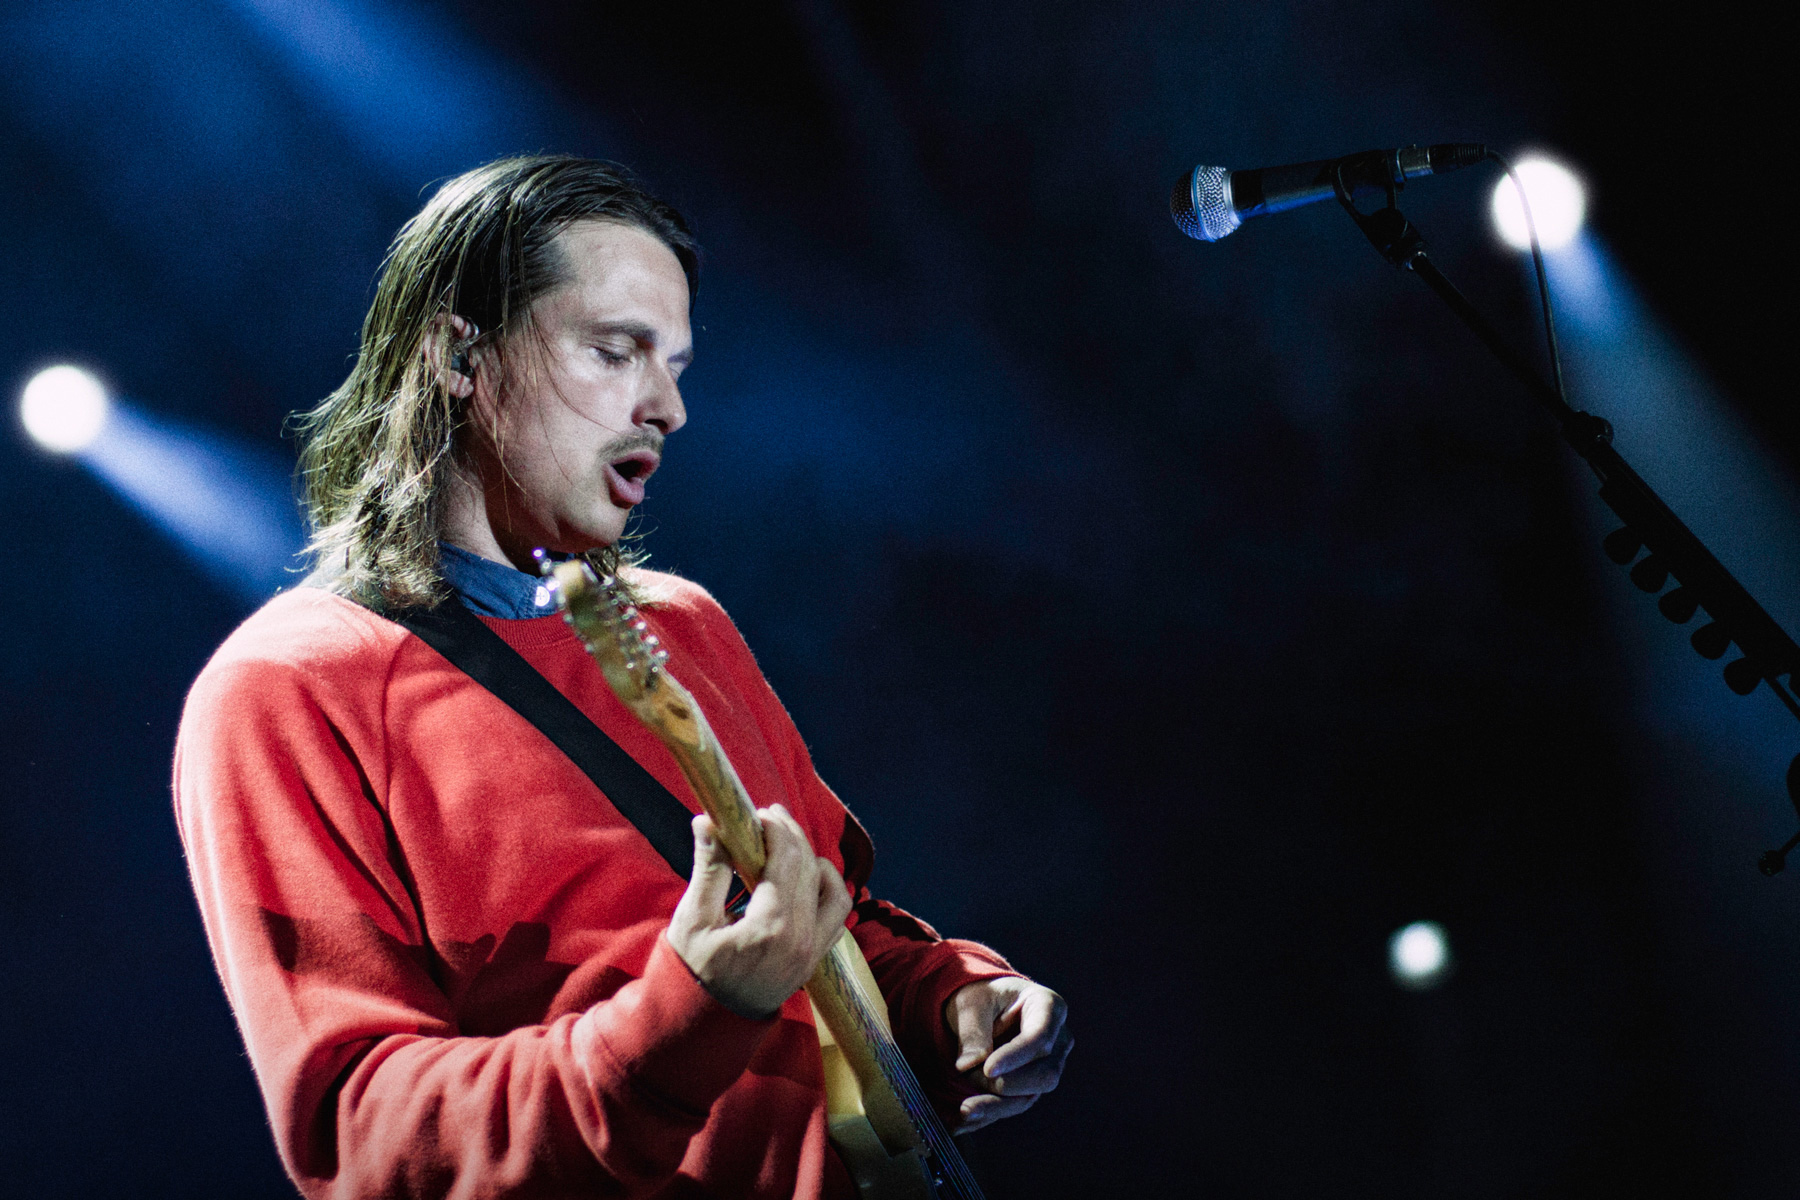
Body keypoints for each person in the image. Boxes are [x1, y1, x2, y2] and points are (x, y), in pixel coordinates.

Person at [173, 155, 1071, 1199]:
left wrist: (953, 1000)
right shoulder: (288, 690)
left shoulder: (684, 624)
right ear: (459, 356)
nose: (668, 409)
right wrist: (681, 1015)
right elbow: (363, 1136)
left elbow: (828, 918)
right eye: (616, 352)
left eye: (677, 366)